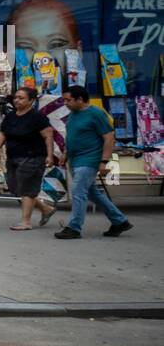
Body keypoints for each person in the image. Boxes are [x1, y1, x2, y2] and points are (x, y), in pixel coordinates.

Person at [54, 85, 132, 239]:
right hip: (75, 160)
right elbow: (72, 136)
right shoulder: (73, 114)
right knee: (93, 193)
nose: (65, 103)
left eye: (68, 100)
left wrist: (104, 161)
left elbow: (109, 137)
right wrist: (65, 153)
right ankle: (119, 221)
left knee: (78, 192)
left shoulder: (96, 114)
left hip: (89, 160)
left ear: (80, 99)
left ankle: (74, 227)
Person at [0, 86, 56, 230]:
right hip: (13, 157)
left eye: (21, 98)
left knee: (27, 189)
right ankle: (46, 209)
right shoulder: (11, 116)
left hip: (33, 157)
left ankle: (25, 222)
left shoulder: (37, 117)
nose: (16, 100)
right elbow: (3, 134)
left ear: (31, 100)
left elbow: (48, 136)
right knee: (15, 188)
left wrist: (50, 155)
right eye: (15, 97)